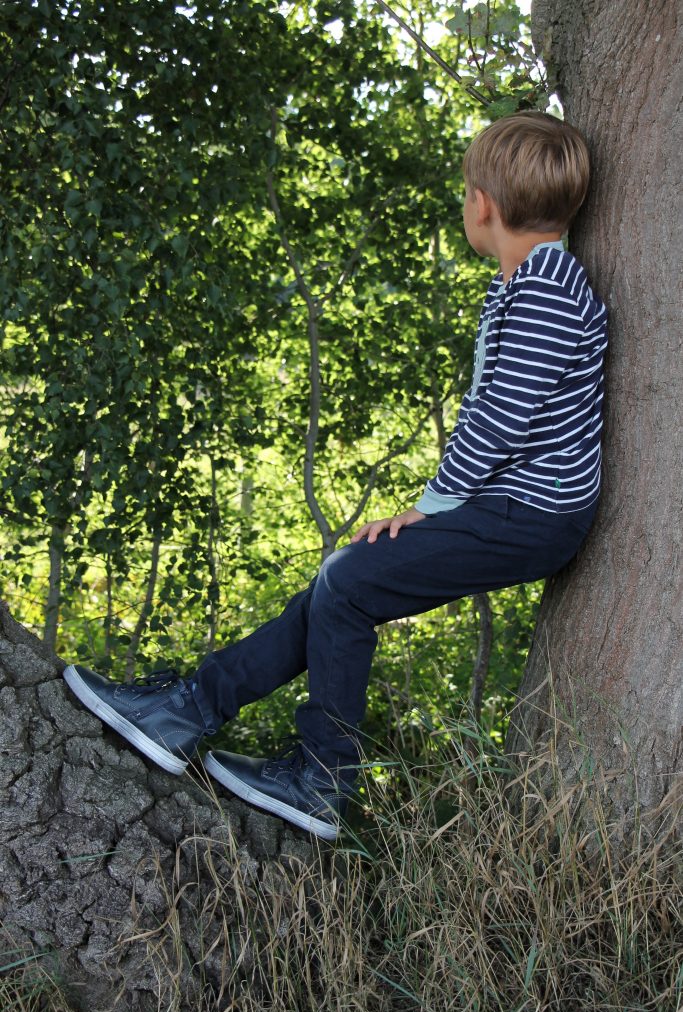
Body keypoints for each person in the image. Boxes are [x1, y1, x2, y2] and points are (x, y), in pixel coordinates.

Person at [63, 111, 608, 842]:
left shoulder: (546, 287)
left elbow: (501, 419)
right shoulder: (526, 285)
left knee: (348, 582)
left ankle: (320, 777)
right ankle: (186, 709)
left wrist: (431, 507)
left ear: (481, 203)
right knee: (338, 586)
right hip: (510, 505)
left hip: (533, 513)